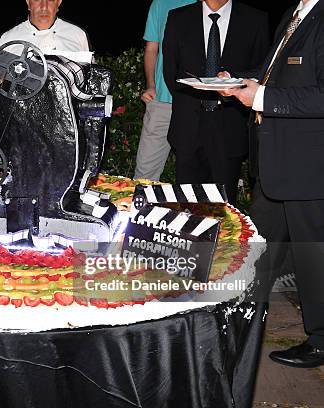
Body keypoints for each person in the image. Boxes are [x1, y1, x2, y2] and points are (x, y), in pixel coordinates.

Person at [224, 0, 324, 368]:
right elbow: (275, 73)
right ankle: (239, 321)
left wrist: (262, 97)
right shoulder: (295, 13)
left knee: (313, 256)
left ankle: (320, 340)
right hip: (277, 162)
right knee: (259, 247)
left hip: (309, 164)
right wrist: (240, 84)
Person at [163, 0, 269, 205]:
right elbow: (170, 72)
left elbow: (261, 71)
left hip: (230, 125)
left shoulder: (255, 19)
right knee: (186, 206)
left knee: (223, 206)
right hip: (188, 125)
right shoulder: (178, 18)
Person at [134, 0, 195, 182]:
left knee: (195, 173)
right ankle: (140, 209)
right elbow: (152, 49)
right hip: (161, 100)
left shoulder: (206, 3)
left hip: (196, 102)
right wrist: (151, 85)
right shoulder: (160, 4)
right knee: (144, 174)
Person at [0, 0, 90, 57]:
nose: (44, 7)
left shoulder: (78, 35)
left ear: (58, 2)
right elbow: (0, 82)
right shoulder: (8, 39)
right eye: (37, 0)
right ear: (28, 3)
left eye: (50, 0)